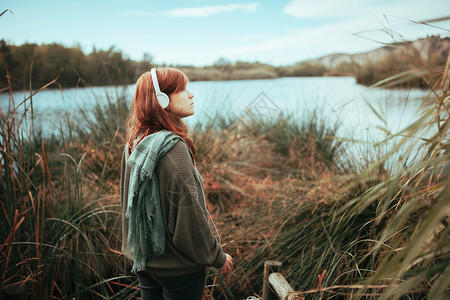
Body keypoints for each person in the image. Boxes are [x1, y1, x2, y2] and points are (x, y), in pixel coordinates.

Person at [120, 67, 233, 300]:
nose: (191, 95)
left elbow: (127, 205)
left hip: (144, 261)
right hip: (179, 269)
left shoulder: (134, 142)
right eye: (182, 89)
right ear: (161, 99)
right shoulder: (173, 148)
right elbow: (189, 216)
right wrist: (216, 256)